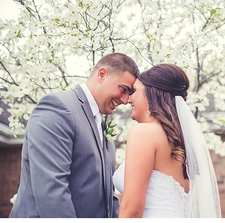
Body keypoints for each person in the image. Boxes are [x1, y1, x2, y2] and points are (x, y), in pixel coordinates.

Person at [10, 53, 140, 218]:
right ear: (102, 74)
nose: (125, 100)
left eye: (129, 93)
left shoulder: (103, 122)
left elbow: (107, 196)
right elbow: (52, 189)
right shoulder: (58, 108)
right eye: (123, 89)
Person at [113, 63, 221, 217]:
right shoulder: (182, 141)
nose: (129, 99)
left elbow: (132, 209)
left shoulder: (144, 133)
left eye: (134, 91)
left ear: (151, 94)